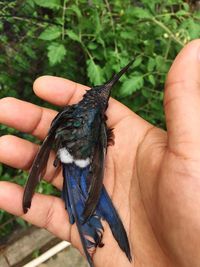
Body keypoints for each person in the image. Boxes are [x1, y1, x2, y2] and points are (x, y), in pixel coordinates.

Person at [0, 39, 200, 267]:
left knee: (81, 192)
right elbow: (98, 150)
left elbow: (53, 139)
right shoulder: (99, 126)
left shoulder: (69, 113)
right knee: (88, 194)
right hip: (78, 161)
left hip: (68, 157)